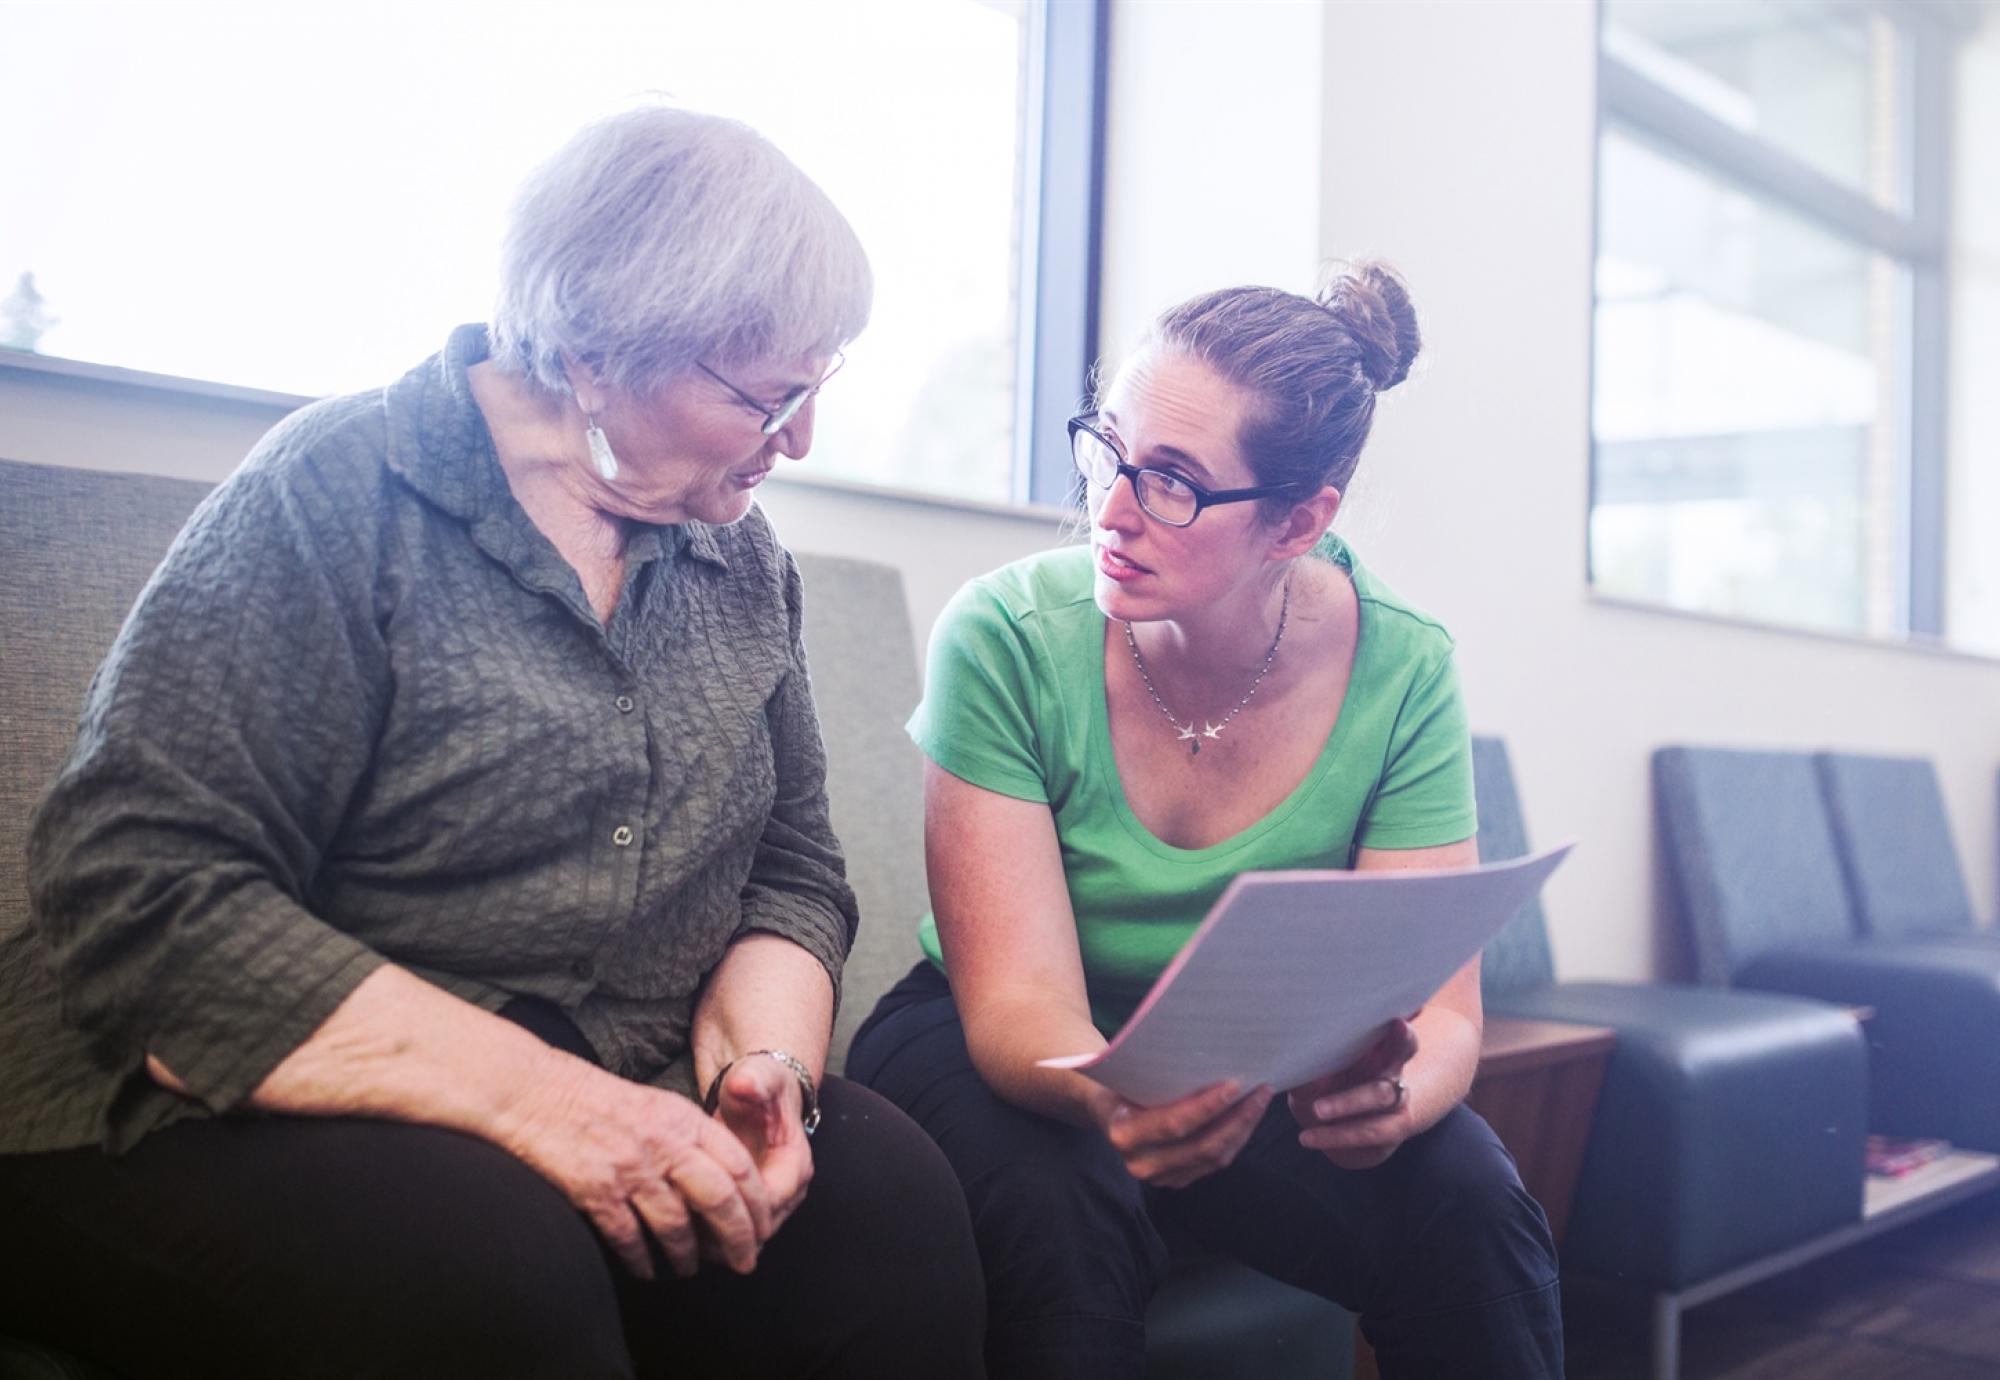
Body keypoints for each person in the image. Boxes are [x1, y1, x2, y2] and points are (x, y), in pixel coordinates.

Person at [0, 107, 984, 1380]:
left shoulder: (740, 560)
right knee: (488, 1265)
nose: (797, 440)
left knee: (888, 1205)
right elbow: (143, 891)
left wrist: (769, 1071)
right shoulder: (339, 492)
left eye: (816, 388)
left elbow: (791, 875)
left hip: (617, 1067)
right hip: (214, 1092)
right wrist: (558, 1110)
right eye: (766, 394)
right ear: (591, 351)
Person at [847, 264, 1563, 1379]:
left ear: (1297, 522)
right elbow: (1017, 1003)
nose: (1112, 508)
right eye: (1111, 451)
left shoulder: (1404, 665)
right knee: (1065, 1206)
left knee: (1467, 1197)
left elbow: (1443, 1018)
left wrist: (1393, 1098)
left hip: (1239, 1063)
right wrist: (1120, 1098)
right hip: (1004, 1038)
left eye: (1172, 482)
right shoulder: (1003, 634)